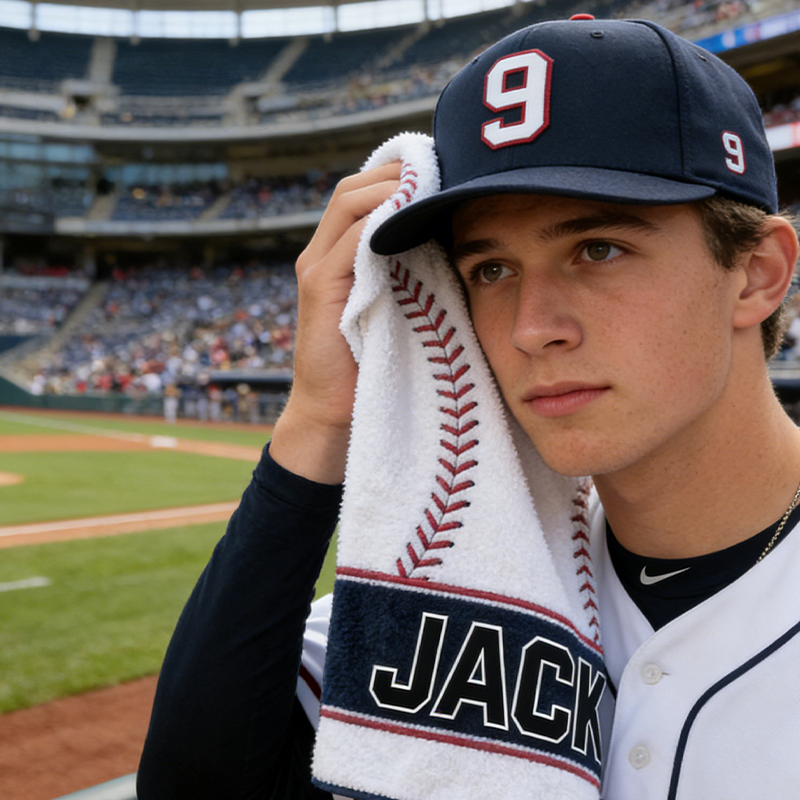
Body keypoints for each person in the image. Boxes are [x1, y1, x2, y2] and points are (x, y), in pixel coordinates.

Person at [137, 16, 800, 800]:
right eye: (490, 269)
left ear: (756, 274)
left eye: (597, 250)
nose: (530, 328)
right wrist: (317, 420)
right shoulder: (473, 571)